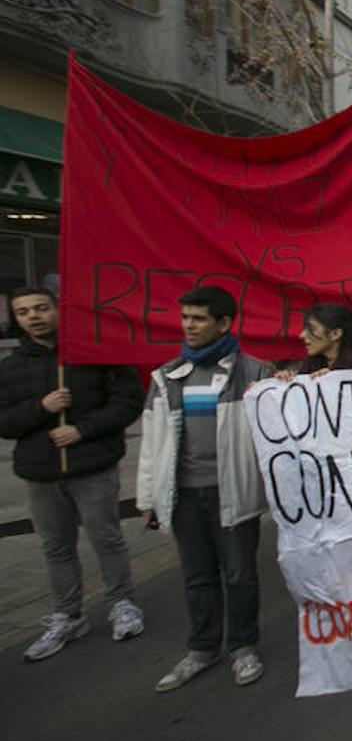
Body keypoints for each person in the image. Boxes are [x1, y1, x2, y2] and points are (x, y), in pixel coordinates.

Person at [137, 286, 272, 691]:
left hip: (232, 493)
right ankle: (202, 648)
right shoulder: (166, 376)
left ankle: (243, 646)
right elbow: (151, 442)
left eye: (198, 318)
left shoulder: (254, 373)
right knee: (197, 577)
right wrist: (148, 496)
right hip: (184, 497)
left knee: (240, 575)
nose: (188, 326)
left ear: (224, 323)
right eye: (185, 318)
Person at [0, 287, 145, 662]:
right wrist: (42, 407)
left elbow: (128, 402)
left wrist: (82, 430)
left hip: (92, 465)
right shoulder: (12, 367)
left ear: (57, 309)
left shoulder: (94, 352)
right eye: (23, 311)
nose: (33, 316)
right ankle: (68, 614)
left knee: (106, 538)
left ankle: (121, 603)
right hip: (41, 472)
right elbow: (5, 422)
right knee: (56, 546)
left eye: (40, 308)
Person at [296, 303, 352, 374]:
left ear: (335, 334)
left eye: (312, 329)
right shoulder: (311, 363)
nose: (302, 335)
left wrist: (334, 376)